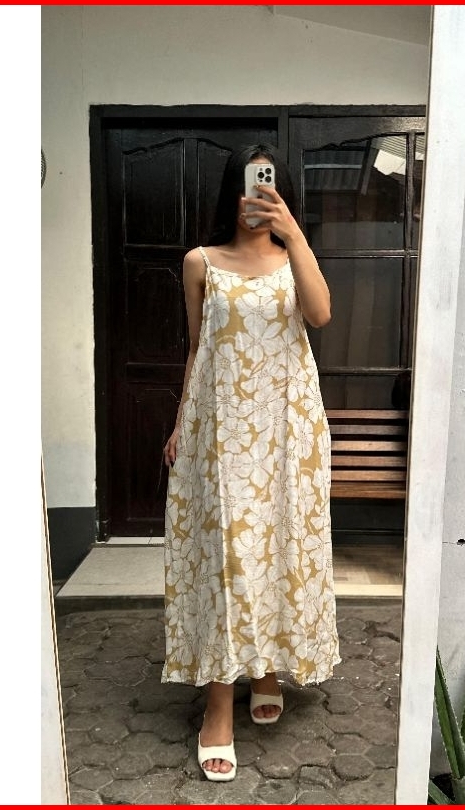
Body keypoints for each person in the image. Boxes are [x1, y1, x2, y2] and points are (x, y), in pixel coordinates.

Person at [161, 144, 340, 782]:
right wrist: (182, 423)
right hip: (223, 433)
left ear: (280, 192)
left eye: (267, 187)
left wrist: (294, 233)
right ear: (230, 192)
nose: (255, 198)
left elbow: (319, 314)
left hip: (288, 431)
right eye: (247, 185)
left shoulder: (296, 260)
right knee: (226, 556)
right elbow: (198, 349)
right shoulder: (200, 262)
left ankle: (265, 670)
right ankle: (217, 706)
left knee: (277, 550)